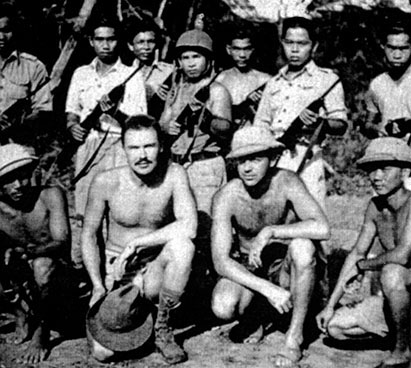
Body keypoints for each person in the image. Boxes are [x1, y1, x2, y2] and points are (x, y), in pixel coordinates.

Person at [81, 115, 197, 364]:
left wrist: (138, 244)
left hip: (155, 268)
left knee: (183, 245)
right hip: (119, 271)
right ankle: (132, 320)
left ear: (162, 146)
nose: (142, 155)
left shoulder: (174, 175)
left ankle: (163, 327)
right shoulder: (106, 181)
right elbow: (89, 235)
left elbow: (190, 226)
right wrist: (97, 284)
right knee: (104, 353)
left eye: (149, 146)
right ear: (123, 149)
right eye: (134, 147)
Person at [211, 126, 330, 368]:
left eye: (255, 159)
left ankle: (294, 336)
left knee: (303, 247)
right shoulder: (228, 195)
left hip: (287, 268)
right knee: (223, 306)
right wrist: (267, 289)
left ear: (273, 158)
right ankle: (259, 316)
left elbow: (323, 228)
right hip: (253, 268)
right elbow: (220, 260)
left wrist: (272, 231)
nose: (247, 168)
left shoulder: (286, 182)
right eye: (241, 160)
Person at [317, 137, 411, 368]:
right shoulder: (375, 207)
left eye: (384, 169)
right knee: (336, 328)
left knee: (392, 272)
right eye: (371, 169)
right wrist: (330, 305)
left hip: (401, 283)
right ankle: (403, 334)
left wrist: (364, 266)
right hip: (399, 301)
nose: (376, 176)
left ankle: (402, 351)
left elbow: (403, 255)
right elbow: (357, 254)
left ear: (405, 172)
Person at [66, 17, 147, 267]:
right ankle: (84, 270)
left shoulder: (131, 75)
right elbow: (72, 111)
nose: (106, 45)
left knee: (118, 211)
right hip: (88, 146)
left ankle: (117, 268)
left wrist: (114, 112)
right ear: (91, 41)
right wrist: (73, 127)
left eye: (111, 39)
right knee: (84, 211)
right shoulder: (81, 73)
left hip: (118, 147)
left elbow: (139, 123)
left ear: (118, 41)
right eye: (99, 39)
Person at [254, 16, 347, 214]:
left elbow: (340, 124)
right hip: (274, 157)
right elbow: (260, 124)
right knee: (274, 215)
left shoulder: (327, 80)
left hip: (307, 158)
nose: (295, 50)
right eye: (289, 43)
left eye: (302, 43)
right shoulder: (273, 83)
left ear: (314, 46)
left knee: (311, 217)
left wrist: (319, 123)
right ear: (282, 43)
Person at [159, 29, 232, 247]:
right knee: (177, 226)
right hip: (176, 165)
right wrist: (167, 127)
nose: (190, 63)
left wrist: (204, 114)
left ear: (209, 60)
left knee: (205, 227)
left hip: (204, 164)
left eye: (196, 57)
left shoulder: (216, 90)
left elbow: (225, 129)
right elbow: (163, 120)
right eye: (185, 57)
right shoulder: (176, 89)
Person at [0, 143, 71, 364]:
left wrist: (27, 252)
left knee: (42, 266)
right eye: (9, 180)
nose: (18, 185)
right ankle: (20, 313)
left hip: (56, 276)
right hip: (21, 276)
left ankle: (42, 331)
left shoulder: (50, 196)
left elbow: (61, 241)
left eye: (22, 176)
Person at [0, 3, 52, 146]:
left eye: (6, 30)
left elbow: (44, 112)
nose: (1, 37)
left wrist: (17, 124)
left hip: (16, 147)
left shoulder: (34, 67)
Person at [363, 24, 411, 140]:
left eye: (403, 48)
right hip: (389, 150)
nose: (397, 55)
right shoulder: (378, 83)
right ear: (383, 47)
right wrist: (378, 128)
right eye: (392, 48)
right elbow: (368, 124)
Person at [216, 28, 271, 127]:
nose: (242, 55)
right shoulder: (220, 79)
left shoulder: (265, 80)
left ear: (253, 50)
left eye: (247, 49)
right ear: (229, 50)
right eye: (237, 49)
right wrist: (246, 105)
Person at [127, 20, 174, 118]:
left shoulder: (169, 71)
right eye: (141, 42)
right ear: (131, 46)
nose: (146, 47)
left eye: (150, 42)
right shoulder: (123, 72)